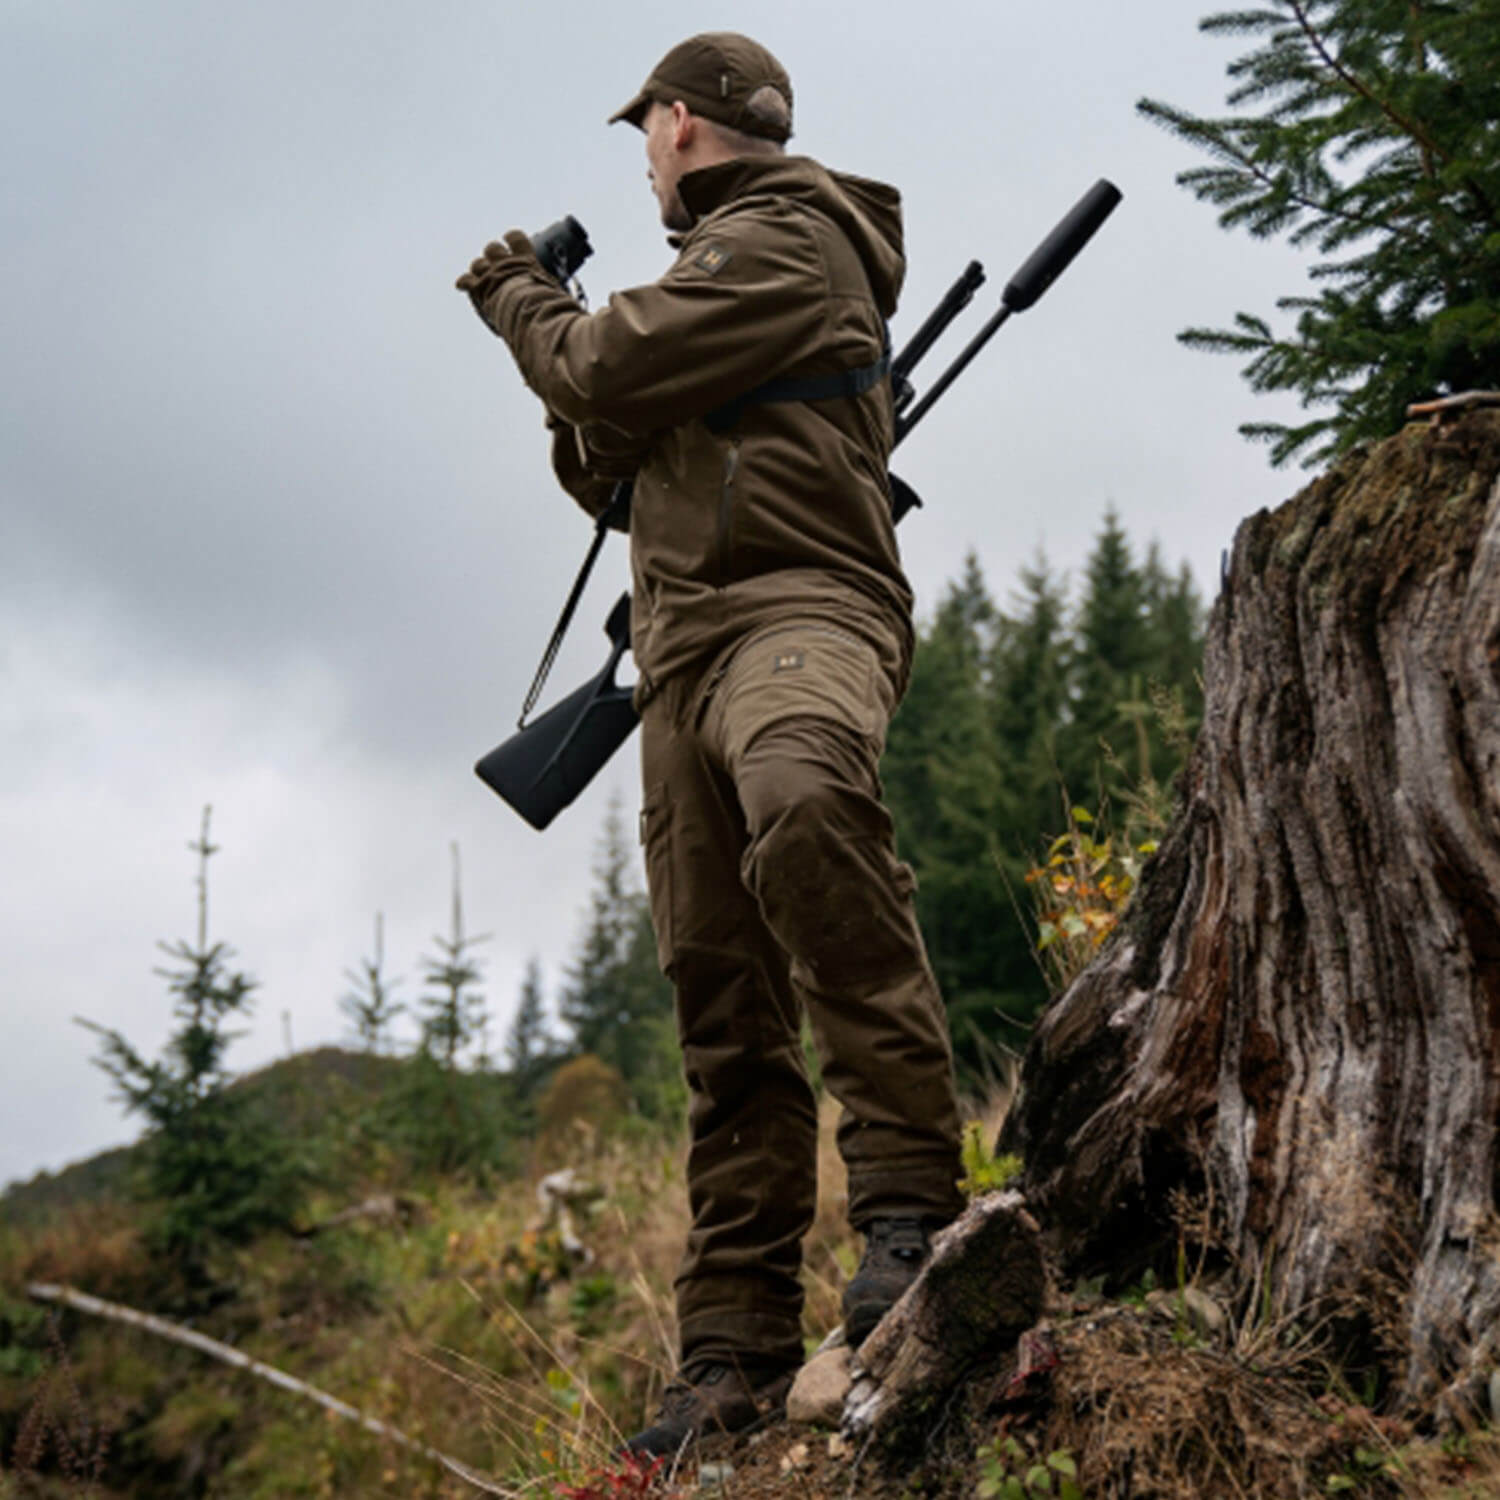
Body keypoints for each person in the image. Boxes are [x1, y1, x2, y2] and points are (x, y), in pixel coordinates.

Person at [457, 32, 964, 1456]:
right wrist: (584, 382)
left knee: (806, 802)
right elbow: (607, 441)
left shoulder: (793, 237)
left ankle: (915, 1212)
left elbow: (602, 361)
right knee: (718, 995)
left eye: (648, 130)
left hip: (803, 607)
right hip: (677, 654)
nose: (644, 153)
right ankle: (729, 1353)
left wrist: (516, 297)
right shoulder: (712, 272)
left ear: (680, 124)